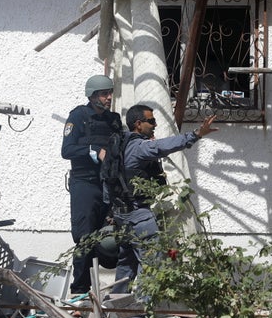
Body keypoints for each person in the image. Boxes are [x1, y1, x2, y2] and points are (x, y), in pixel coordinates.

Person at [109, 104, 219, 294]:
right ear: (138, 124)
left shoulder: (121, 144)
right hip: (139, 215)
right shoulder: (139, 147)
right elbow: (162, 146)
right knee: (152, 262)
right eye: (151, 121)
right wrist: (196, 134)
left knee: (127, 264)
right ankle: (140, 314)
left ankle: (117, 309)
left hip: (121, 215)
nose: (155, 125)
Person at [60, 74, 123, 295]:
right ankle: (79, 291)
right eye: (104, 94)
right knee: (85, 238)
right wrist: (94, 152)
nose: (108, 98)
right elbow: (66, 150)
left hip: (108, 185)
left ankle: (119, 291)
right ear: (93, 95)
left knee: (110, 238)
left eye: (110, 93)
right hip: (85, 184)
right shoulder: (78, 116)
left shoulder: (113, 120)